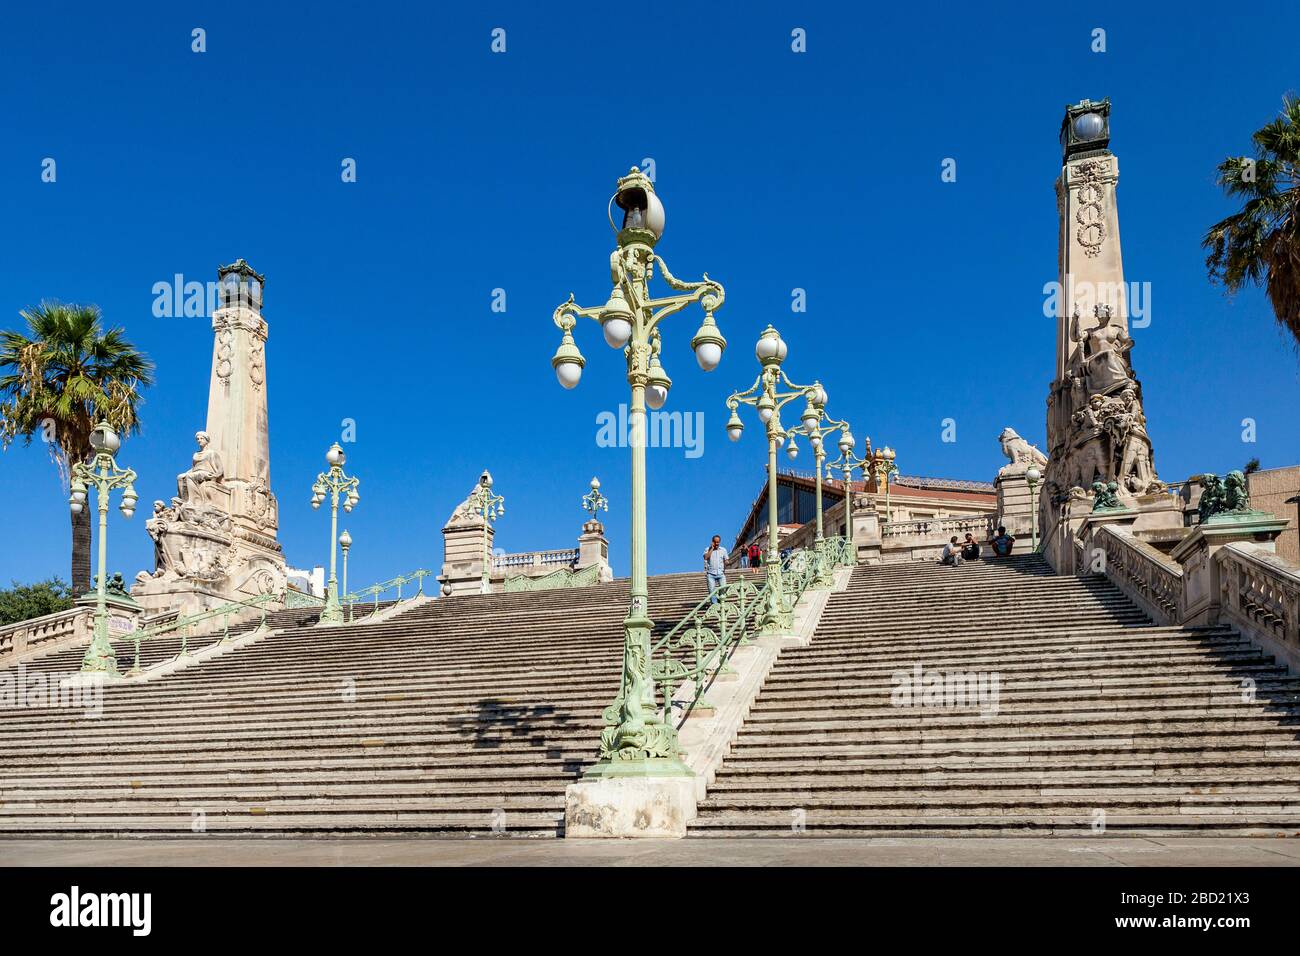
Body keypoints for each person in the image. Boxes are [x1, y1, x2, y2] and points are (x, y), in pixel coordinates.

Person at [703, 535, 728, 603]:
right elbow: (706, 557)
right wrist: (711, 548)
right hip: (711, 573)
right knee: (711, 590)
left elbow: (726, 559)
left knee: (723, 588)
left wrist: (726, 562)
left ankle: (721, 601)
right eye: (715, 542)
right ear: (712, 542)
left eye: (718, 542)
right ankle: (714, 605)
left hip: (720, 573)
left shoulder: (723, 550)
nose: (717, 543)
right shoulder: (707, 549)